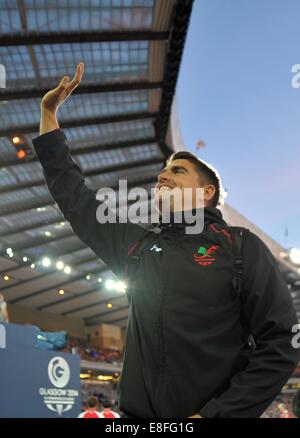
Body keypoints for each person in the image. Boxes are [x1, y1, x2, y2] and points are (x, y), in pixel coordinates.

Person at [32, 63, 300, 418]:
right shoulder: (138, 245)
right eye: (164, 169)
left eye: (178, 170)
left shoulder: (240, 247)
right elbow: (76, 198)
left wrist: (218, 415)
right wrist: (48, 115)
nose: (163, 173)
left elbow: (282, 342)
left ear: (207, 192)